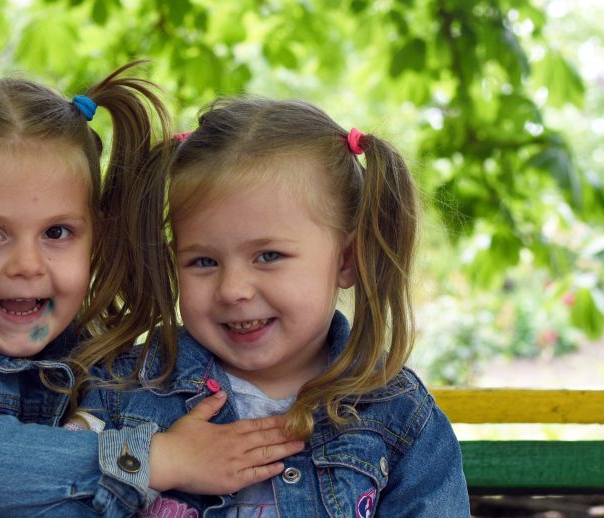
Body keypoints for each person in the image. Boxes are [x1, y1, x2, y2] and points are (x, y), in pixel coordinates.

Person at [0, 66, 304, 518]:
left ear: (97, 236)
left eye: (58, 233)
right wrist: (160, 459)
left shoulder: (94, 346)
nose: (28, 265)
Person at [74, 98, 470, 516]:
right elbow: (54, 491)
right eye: (203, 261)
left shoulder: (397, 415)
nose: (233, 290)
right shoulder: (127, 390)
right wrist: (157, 461)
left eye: (268, 256)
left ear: (347, 260)